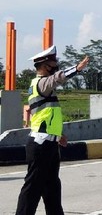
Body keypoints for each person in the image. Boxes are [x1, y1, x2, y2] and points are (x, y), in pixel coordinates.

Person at [16, 45, 89, 215]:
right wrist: (76, 69)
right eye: (52, 63)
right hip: (40, 144)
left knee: (52, 189)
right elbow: (57, 79)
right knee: (33, 188)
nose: (55, 65)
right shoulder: (41, 83)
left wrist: (59, 135)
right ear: (43, 66)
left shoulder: (44, 87)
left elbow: (48, 115)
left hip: (49, 144)